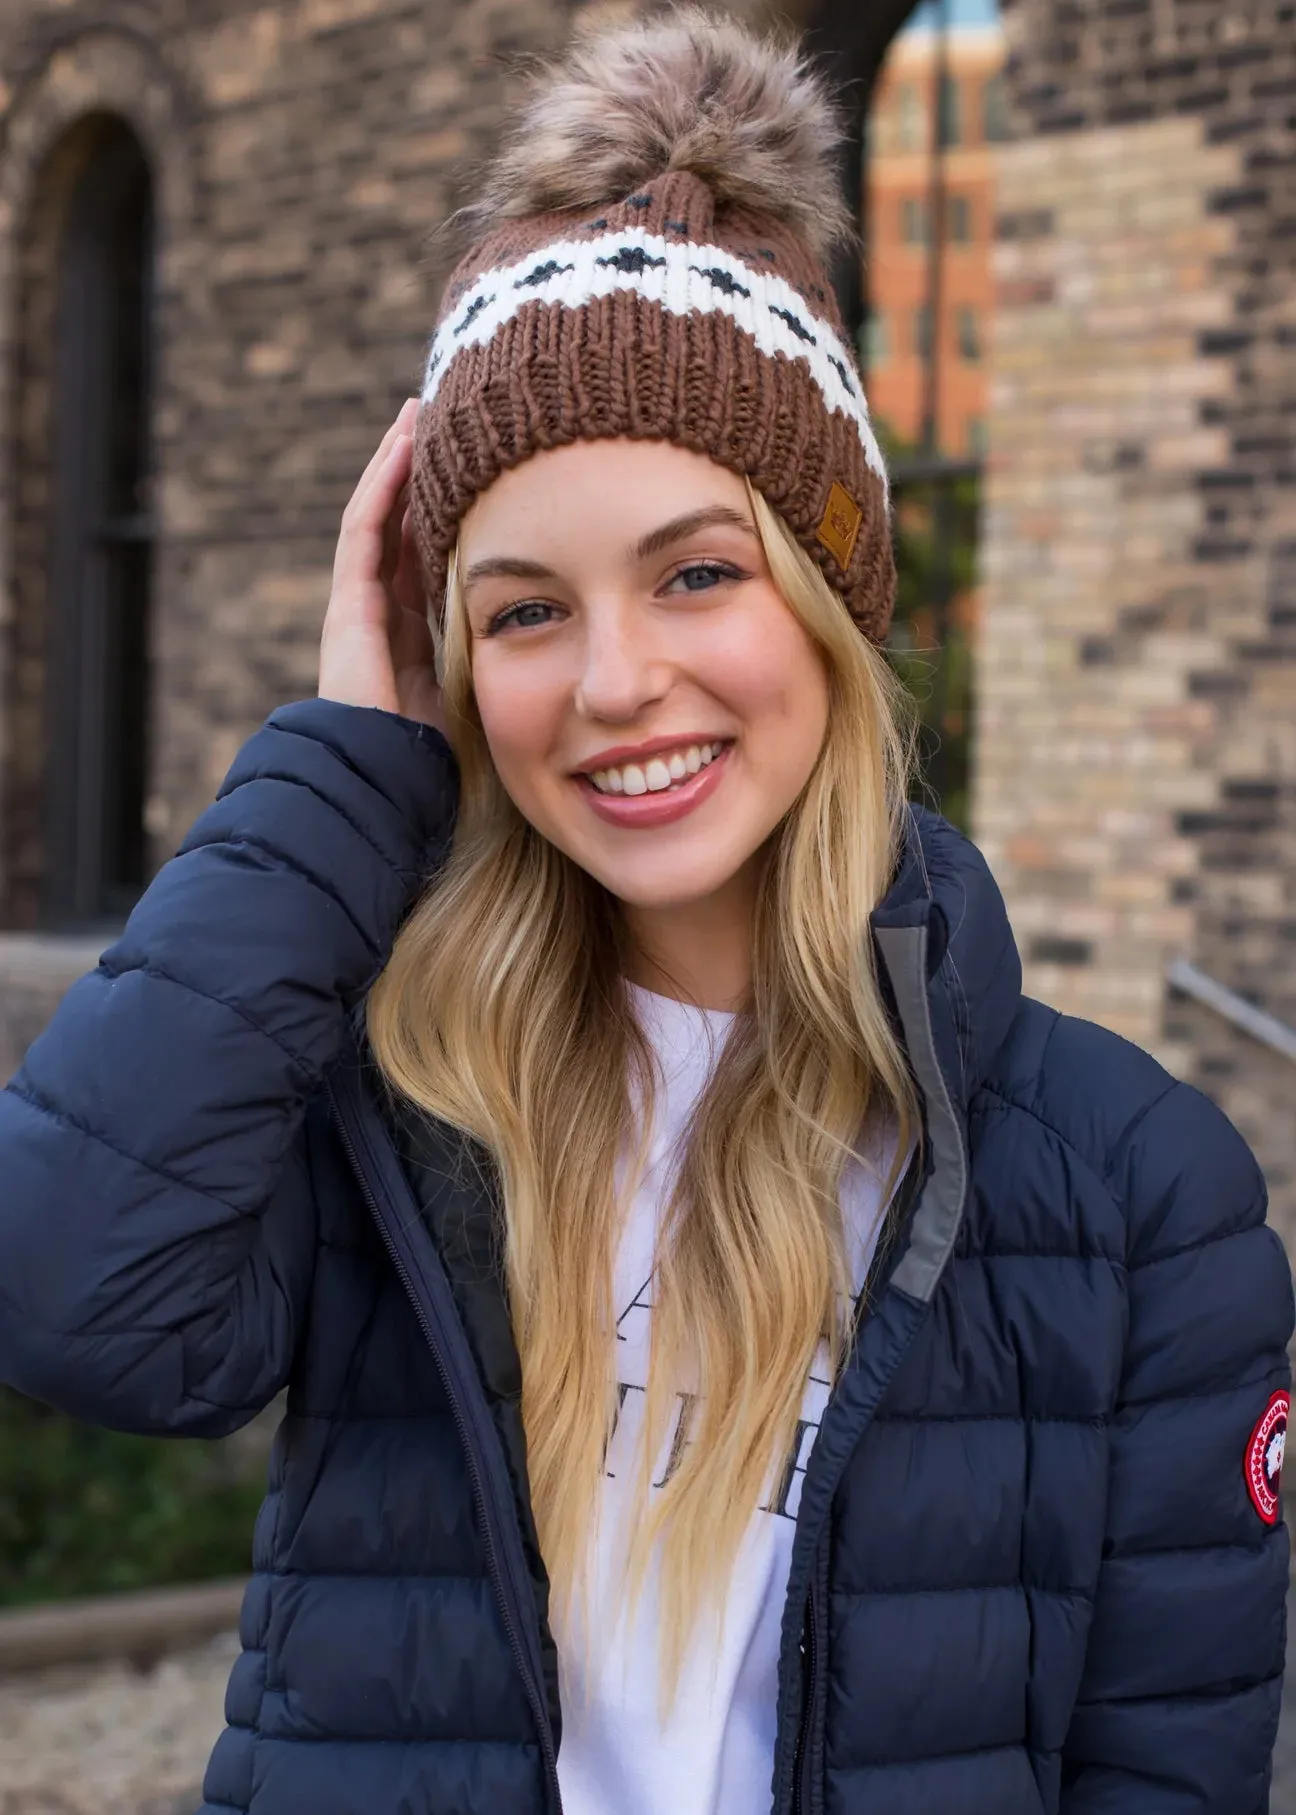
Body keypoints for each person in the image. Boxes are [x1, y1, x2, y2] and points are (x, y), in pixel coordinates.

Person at [0, 10, 1290, 1814]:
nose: (617, 680)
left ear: (834, 609)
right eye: (523, 610)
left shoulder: (1142, 1193)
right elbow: (67, 1289)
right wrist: (347, 763)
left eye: (696, 572)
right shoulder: (387, 1098)